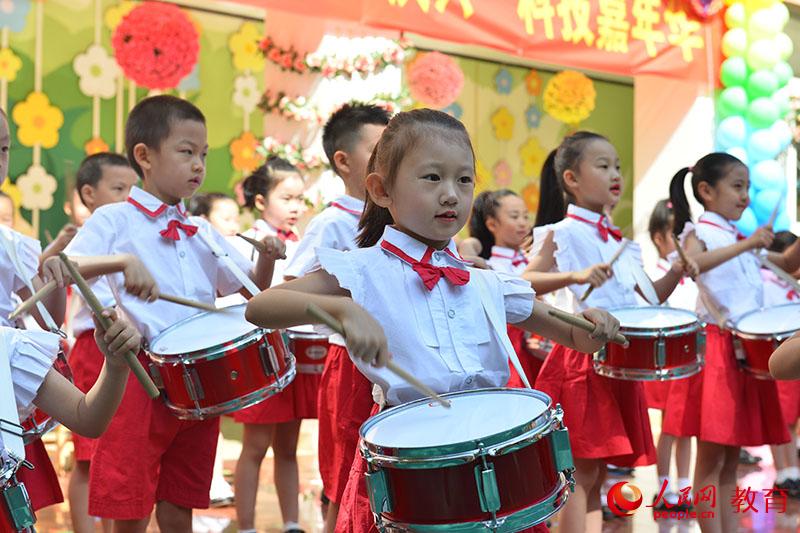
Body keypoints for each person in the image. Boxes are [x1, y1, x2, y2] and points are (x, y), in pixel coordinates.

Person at [244, 109, 622, 533]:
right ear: (381, 190)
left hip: (489, 464)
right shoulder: (363, 269)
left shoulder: (484, 281)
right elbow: (260, 307)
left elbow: (572, 333)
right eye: (432, 178)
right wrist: (344, 310)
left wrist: (594, 325)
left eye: (464, 180)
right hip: (412, 471)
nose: (451, 195)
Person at [63, 95, 284, 532]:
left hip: (198, 384)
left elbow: (253, 290)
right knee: (130, 505)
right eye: (186, 152)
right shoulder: (115, 220)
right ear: (144, 156)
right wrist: (122, 262)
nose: (198, 164)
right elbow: (66, 268)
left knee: (181, 499)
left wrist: (270, 258)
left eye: (203, 154)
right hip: (138, 374)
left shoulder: (201, 230)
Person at [526, 131, 697, 533]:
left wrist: (676, 270)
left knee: (597, 475)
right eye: (602, 166)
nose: (615, 173)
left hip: (620, 362)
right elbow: (524, 282)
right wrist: (575, 274)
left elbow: (651, 299)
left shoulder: (622, 243)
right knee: (580, 476)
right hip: (580, 360)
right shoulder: (561, 233)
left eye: (617, 166)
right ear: (571, 179)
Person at [667, 152, 800, 532]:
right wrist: (747, 246)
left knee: (728, 459)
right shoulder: (701, 231)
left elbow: (788, 263)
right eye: (737, 186)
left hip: (741, 348)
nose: (745, 196)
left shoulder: (737, 236)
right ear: (706, 191)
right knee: (711, 458)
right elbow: (692, 265)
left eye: (748, 188)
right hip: (716, 347)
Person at [282, 102, 389, 532]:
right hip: (352, 363)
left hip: (398, 362)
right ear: (343, 161)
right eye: (379, 150)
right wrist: (344, 311)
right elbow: (292, 288)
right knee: (347, 471)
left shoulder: (399, 218)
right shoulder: (331, 223)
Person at [230, 158, 310, 533]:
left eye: (300, 199)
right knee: (255, 445)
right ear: (261, 201)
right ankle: (245, 525)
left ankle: (292, 523)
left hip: (291, 351)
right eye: (287, 198)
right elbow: (247, 298)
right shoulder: (246, 241)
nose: (296, 207)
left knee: (289, 446)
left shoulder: (303, 242)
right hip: (260, 355)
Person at [64, 152, 138, 533]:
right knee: (89, 456)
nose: (129, 198)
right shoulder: (91, 236)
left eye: (134, 190)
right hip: (94, 350)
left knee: (117, 455)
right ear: (89, 194)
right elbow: (66, 269)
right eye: (119, 189)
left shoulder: (129, 234)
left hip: (122, 349)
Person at [642, 199, 697, 511]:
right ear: (659, 238)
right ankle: (664, 489)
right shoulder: (658, 273)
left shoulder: (691, 273)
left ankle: (684, 488)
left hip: (690, 357)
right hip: (668, 359)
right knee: (670, 428)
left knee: (685, 427)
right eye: (673, 234)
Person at [468, 189, 544, 384]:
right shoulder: (491, 268)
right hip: (515, 355)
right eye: (514, 216)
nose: (523, 222)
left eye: (525, 216)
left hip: (543, 350)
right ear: (492, 224)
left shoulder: (534, 260)